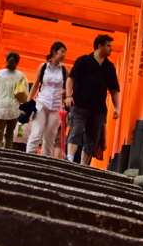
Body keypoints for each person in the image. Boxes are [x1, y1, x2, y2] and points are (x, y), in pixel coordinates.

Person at [65, 34, 119, 166]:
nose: (111, 49)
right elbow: (71, 79)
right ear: (100, 46)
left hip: (98, 108)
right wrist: (68, 96)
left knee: (92, 138)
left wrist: (117, 107)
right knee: (76, 130)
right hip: (80, 104)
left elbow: (114, 90)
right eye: (108, 46)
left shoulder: (109, 67)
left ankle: (83, 165)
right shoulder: (83, 61)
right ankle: (69, 159)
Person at [27, 41, 66, 157]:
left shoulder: (64, 71)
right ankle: (28, 158)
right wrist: (28, 103)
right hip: (42, 103)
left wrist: (67, 96)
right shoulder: (43, 67)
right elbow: (35, 85)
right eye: (62, 52)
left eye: (65, 53)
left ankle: (45, 162)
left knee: (50, 137)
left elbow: (69, 88)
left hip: (56, 107)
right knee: (36, 133)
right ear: (54, 52)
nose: (64, 55)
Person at [0, 51, 28, 148]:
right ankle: (5, 154)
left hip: (0, 107)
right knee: (9, 135)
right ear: (17, 62)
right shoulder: (21, 76)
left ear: (6, 60)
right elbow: (25, 93)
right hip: (14, 108)